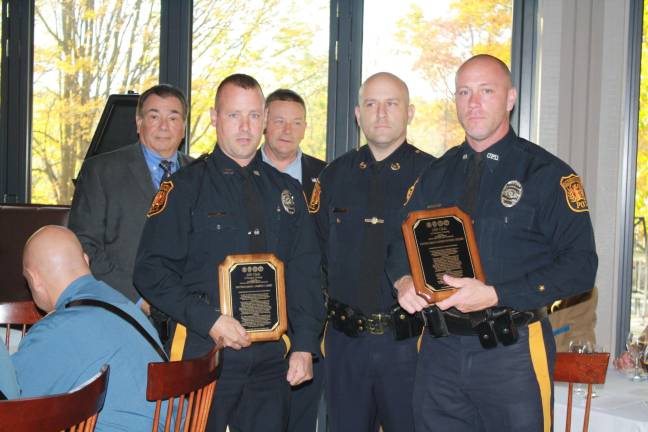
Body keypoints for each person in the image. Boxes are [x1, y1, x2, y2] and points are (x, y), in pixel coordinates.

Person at [388, 54, 598, 431]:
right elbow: (398, 242)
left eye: (487, 91)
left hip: (511, 351)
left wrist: (497, 294)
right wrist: (403, 279)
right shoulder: (436, 173)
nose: (474, 102)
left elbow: (581, 267)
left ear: (510, 98)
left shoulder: (548, 175)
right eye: (465, 92)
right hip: (440, 350)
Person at [133, 74, 324, 432]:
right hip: (204, 354)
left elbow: (305, 274)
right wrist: (211, 320)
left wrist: (304, 345)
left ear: (265, 119)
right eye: (234, 115)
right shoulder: (184, 188)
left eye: (253, 115)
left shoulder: (288, 192)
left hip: (271, 359)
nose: (245, 126)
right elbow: (150, 271)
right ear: (214, 117)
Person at [312, 72, 434, 432]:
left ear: (409, 112)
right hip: (344, 343)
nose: (381, 113)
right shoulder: (332, 178)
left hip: (410, 343)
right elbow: (313, 260)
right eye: (371, 104)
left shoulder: (435, 175)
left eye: (391, 103)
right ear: (357, 113)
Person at [13, 225, 164, 430]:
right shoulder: (127, 306)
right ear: (85, 260)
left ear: (35, 280)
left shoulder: (58, 330)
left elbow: (10, 407)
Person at [69, 84, 192, 311]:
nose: (164, 126)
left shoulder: (199, 173)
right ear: (139, 123)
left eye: (173, 118)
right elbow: (84, 244)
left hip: (189, 311)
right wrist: (137, 299)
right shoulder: (101, 171)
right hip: (121, 308)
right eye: (154, 116)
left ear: (183, 127)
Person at [261, 88, 327, 432]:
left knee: (304, 419)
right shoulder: (244, 172)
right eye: (278, 121)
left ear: (305, 127)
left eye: (296, 122)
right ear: (263, 124)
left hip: (311, 321)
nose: (287, 130)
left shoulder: (328, 177)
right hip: (255, 323)